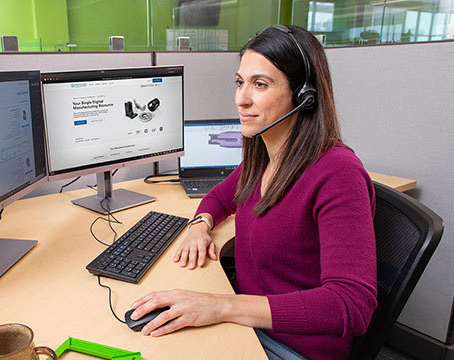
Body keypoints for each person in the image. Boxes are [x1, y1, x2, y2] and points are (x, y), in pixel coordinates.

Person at [129, 25, 378, 360]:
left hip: (295, 347)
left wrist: (222, 305)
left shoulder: (337, 173)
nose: (241, 98)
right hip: (248, 324)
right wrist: (199, 227)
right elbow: (218, 198)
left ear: (304, 95)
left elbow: (351, 304)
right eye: (240, 82)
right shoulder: (264, 156)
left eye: (260, 84)